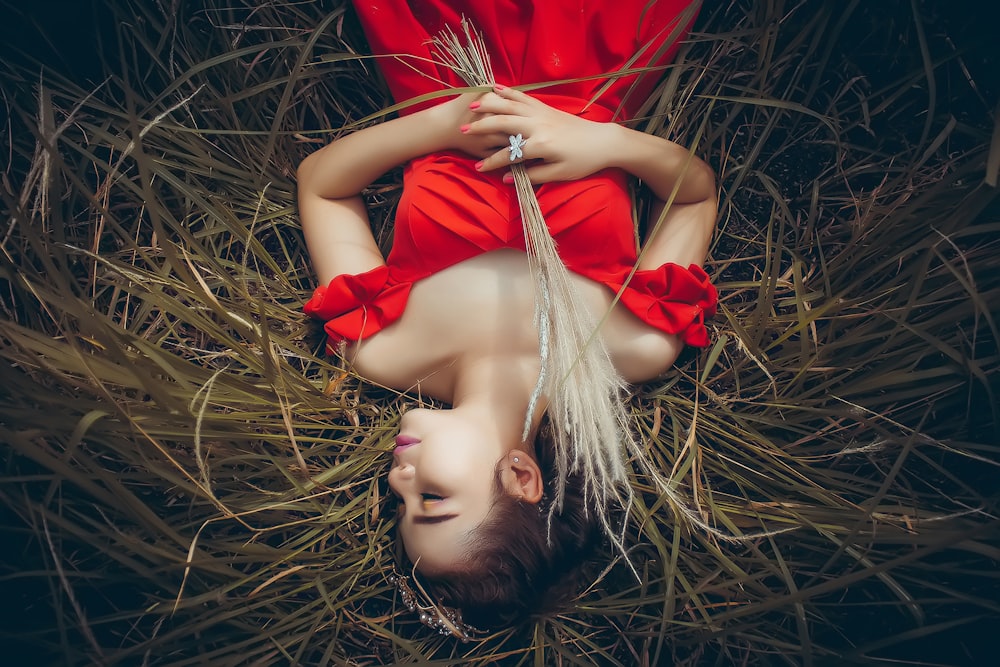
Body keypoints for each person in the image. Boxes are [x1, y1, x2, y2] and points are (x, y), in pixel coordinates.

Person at [298, 0, 717, 630]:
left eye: (400, 506)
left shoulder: (380, 348)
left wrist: (442, 123)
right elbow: (695, 195)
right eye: (432, 501)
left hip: (439, 55)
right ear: (521, 477)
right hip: (591, 53)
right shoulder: (630, 347)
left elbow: (322, 185)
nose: (399, 482)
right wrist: (603, 141)